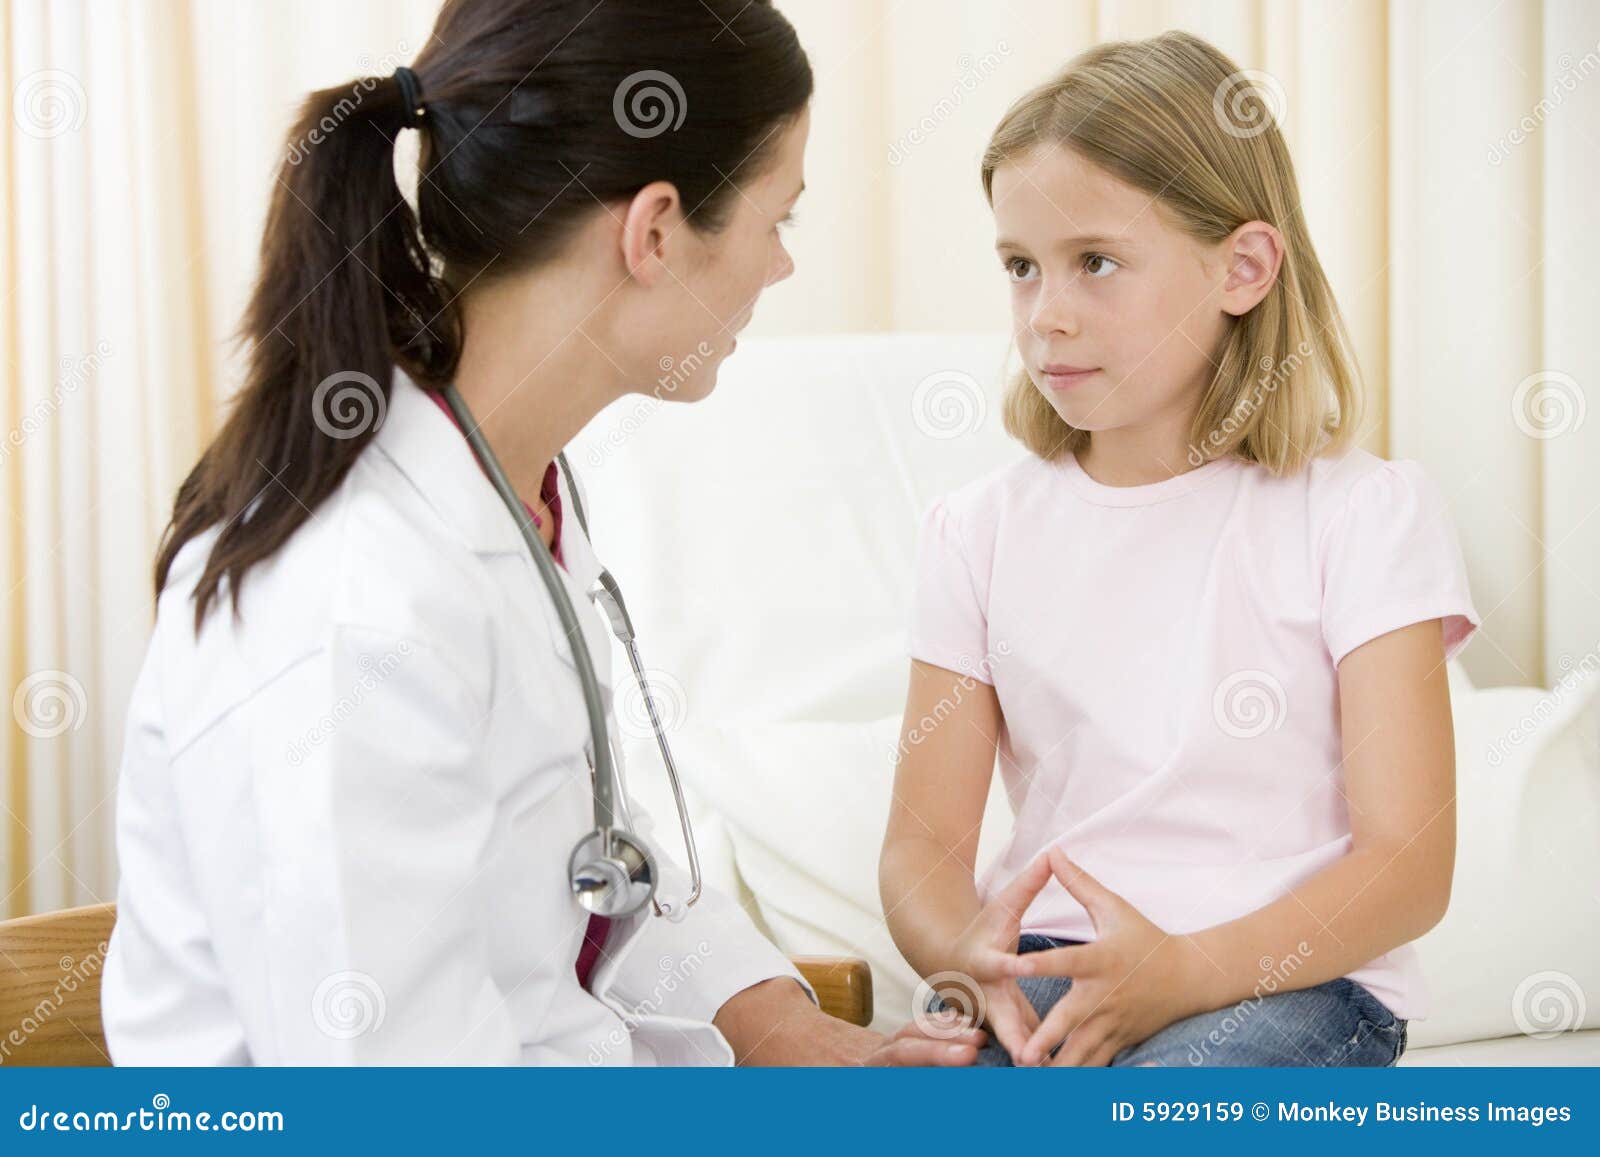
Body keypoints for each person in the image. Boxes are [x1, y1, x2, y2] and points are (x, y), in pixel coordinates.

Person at [102, 0, 983, 1067]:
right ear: (654, 230)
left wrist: (788, 1031)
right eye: (777, 219)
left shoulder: (509, 490)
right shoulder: (357, 602)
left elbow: (587, 860)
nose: (778, 268)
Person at [879, 30, 1480, 1067]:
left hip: (1283, 985)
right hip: (1048, 972)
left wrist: (1184, 972)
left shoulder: (1363, 515)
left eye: (1095, 263)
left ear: (1243, 267)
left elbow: (1408, 862)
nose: (1047, 317)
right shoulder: (975, 532)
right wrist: (960, 947)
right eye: (1022, 268)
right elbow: (922, 846)